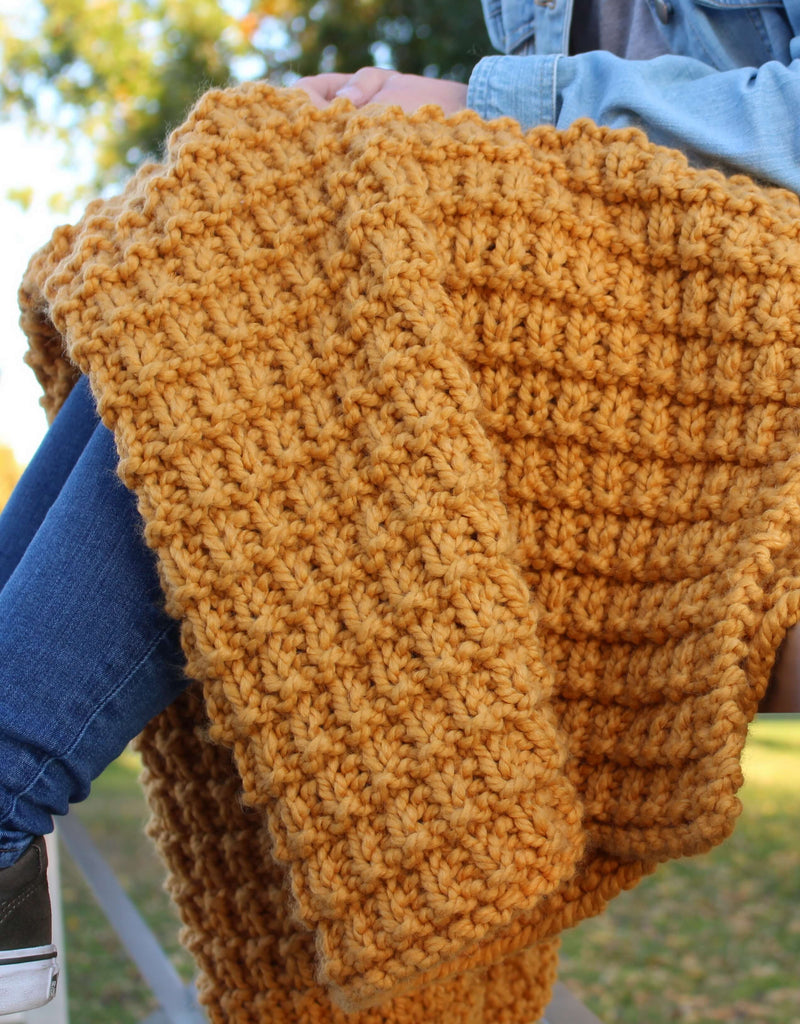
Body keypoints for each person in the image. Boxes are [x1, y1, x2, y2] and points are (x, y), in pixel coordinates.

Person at [2, 0, 800, 1014]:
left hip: (752, 343)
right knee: (254, 188)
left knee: (277, 228)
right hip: (632, 335)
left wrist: (485, 103)